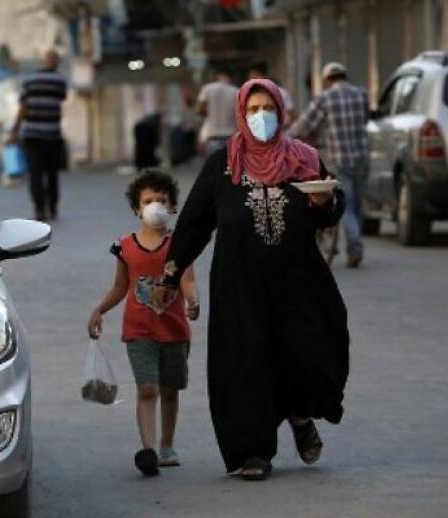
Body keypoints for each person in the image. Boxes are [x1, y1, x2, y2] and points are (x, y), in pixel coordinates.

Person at [155, 79, 350, 481]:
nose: (262, 116)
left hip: (299, 282)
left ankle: (299, 416)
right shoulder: (223, 164)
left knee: (309, 356)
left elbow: (329, 214)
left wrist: (324, 202)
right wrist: (172, 273)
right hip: (239, 286)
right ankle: (253, 452)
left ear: (282, 111)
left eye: (269, 108)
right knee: (247, 365)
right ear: (241, 114)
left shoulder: (305, 159)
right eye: (254, 108)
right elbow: (193, 223)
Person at [87, 170, 200, 477]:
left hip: (175, 330)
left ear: (173, 207)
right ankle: (148, 450)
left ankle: (167, 444)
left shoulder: (181, 245)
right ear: (137, 209)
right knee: (147, 388)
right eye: (148, 201)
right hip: (138, 331)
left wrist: (192, 300)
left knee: (170, 389)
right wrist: (99, 310)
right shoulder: (125, 246)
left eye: (162, 200)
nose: (155, 206)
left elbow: (187, 280)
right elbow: (120, 287)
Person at [290, 62, 370, 268]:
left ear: (327, 80)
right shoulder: (361, 94)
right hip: (362, 157)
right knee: (358, 204)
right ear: (345, 75)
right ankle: (355, 245)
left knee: (348, 205)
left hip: (339, 158)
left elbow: (305, 125)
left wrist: (287, 137)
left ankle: (355, 248)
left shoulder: (325, 98)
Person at [10, 49, 68, 222]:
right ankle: (53, 208)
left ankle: (39, 210)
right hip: (52, 135)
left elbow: (24, 107)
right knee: (52, 174)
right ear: (57, 62)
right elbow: (62, 98)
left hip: (32, 135)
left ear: (43, 61)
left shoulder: (29, 80)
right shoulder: (60, 81)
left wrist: (15, 129)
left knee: (35, 174)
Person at [196, 68, 238, 157]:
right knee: (231, 168)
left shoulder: (207, 89)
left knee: (214, 168)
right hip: (232, 137)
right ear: (231, 77)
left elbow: (199, 110)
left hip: (213, 137)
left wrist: (210, 112)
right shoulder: (236, 91)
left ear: (217, 76)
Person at [247, 60, 295, 126]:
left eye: (269, 107)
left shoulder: (281, 93)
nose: (253, 81)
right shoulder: (249, 96)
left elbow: (289, 115)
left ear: (264, 75)